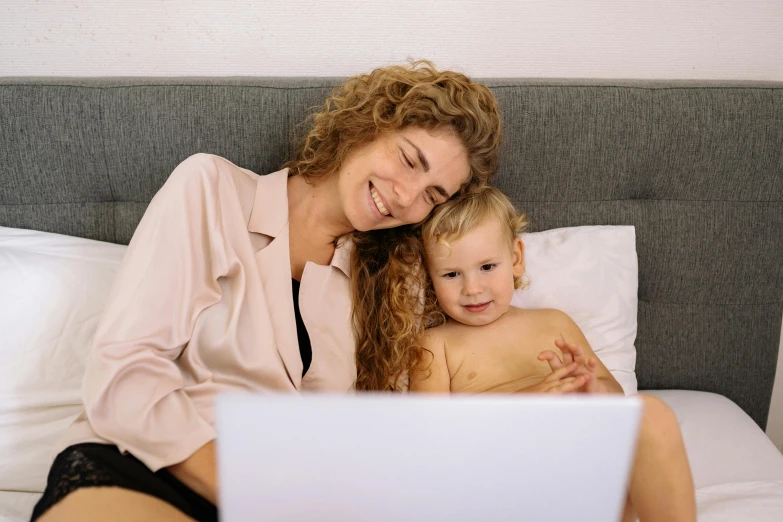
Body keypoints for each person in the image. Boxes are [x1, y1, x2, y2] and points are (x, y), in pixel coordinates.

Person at [32, 61, 503, 522]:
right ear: (369, 125)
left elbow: (399, 429)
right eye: (408, 160)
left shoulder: (394, 278)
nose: (407, 197)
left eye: (433, 194)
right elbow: (126, 369)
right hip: (141, 460)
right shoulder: (214, 190)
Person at [406, 185, 697, 522]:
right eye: (452, 274)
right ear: (430, 277)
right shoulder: (435, 345)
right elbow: (430, 439)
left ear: (516, 258)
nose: (472, 288)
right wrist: (524, 402)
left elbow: (615, 398)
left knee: (650, 414)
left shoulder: (552, 322)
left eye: (487, 267)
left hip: (574, 464)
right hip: (501, 473)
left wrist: (593, 389)